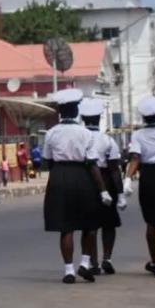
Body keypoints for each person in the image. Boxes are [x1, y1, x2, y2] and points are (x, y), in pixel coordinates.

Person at [42, 89, 109, 284]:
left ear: (61, 112)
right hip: (82, 177)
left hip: (59, 177)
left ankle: (68, 270)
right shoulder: (86, 133)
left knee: (66, 227)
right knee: (88, 224)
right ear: (76, 111)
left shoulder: (51, 133)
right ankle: (85, 263)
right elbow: (92, 163)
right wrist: (103, 189)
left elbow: (47, 162)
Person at [123, 95, 155, 278]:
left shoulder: (138, 134)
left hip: (147, 177)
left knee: (151, 221)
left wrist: (128, 179)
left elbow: (135, 158)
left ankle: (153, 260)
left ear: (144, 117)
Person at [79, 98, 124, 275]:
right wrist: (120, 193)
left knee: (90, 226)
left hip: (84, 181)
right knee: (109, 224)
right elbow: (114, 169)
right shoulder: (108, 140)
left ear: (83, 118)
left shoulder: (80, 138)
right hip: (106, 180)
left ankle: (93, 262)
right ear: (98, 118)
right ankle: (107, 258)